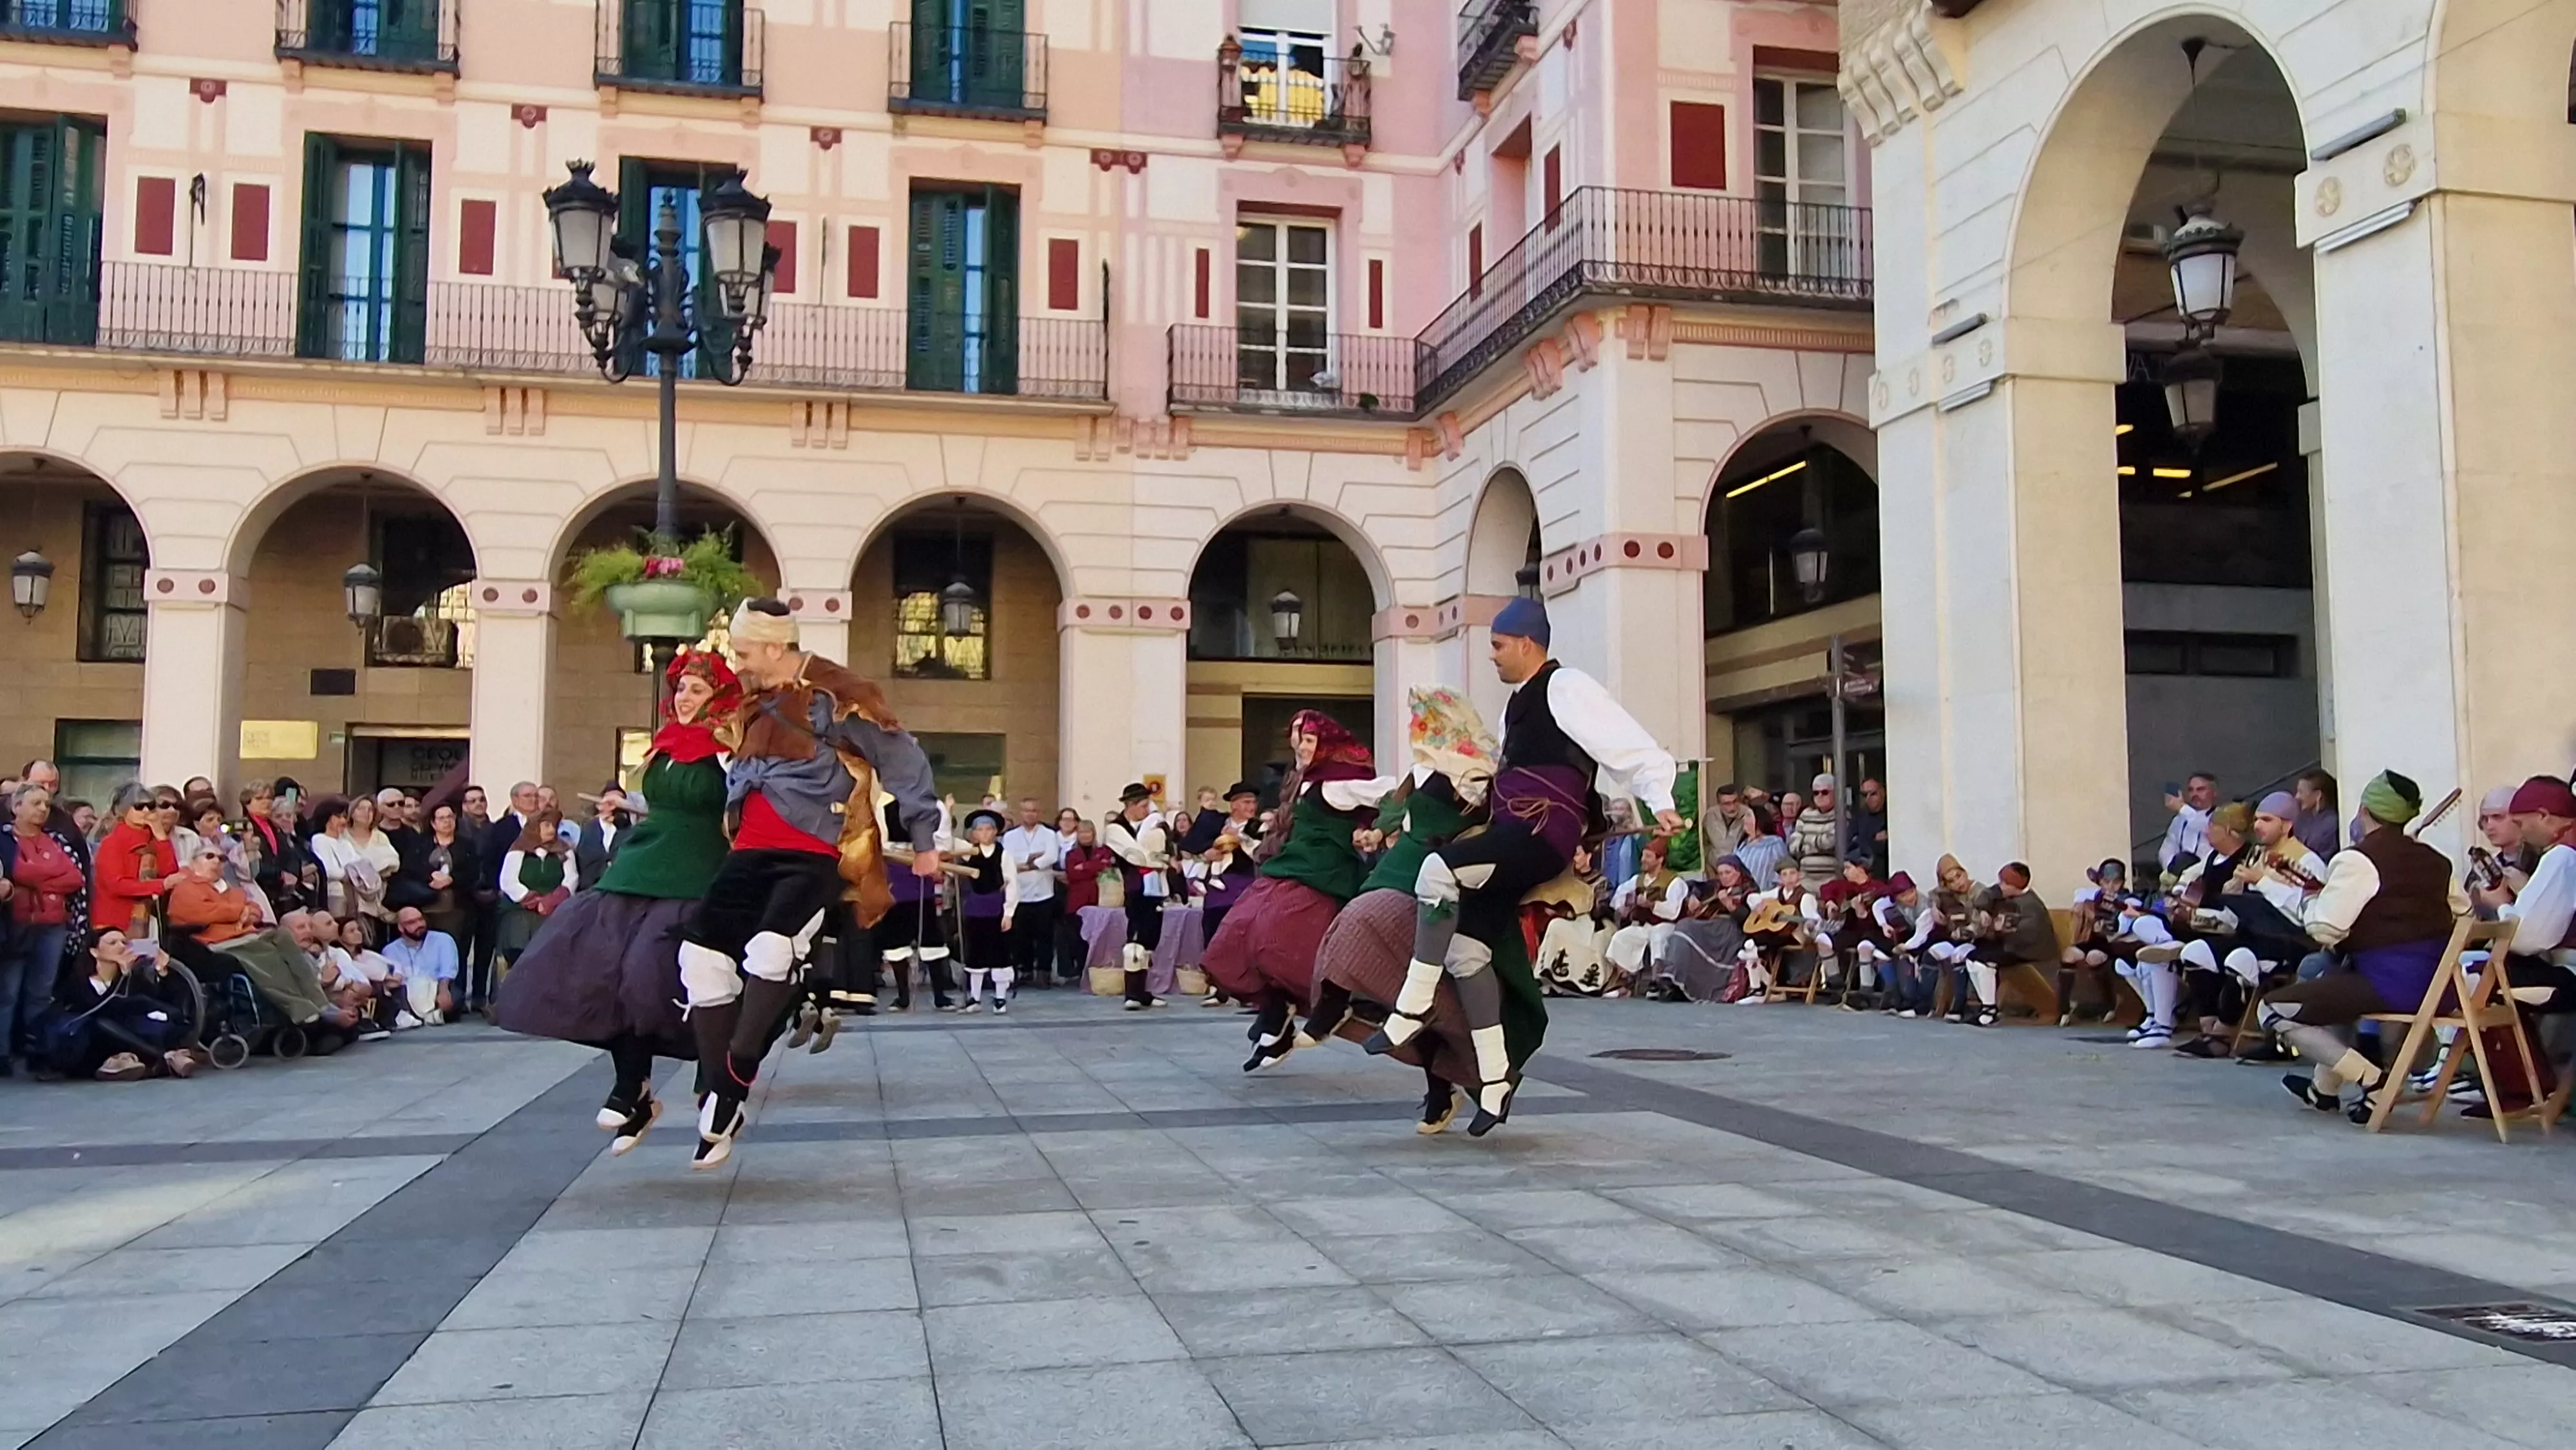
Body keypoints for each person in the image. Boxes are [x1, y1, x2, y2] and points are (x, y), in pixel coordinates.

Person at [1368, 598, 1680, 1134]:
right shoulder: (1515, 705)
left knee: (1436, 872)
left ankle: (1412, 1007)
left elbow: (1627, 743)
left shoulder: (1565, 687)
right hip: (1514, 832)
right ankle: (1494, 1080)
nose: (1492, 656)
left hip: (1538, 834)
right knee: (1467, 952)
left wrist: (1662, 798)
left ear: (1527, 643)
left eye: (1497, 645)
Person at [679, 599, 942, 1169]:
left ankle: (733, 1082)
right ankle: (715, 1084)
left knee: (772, 951)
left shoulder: (838, 693)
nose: (740, 663)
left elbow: (903, 759)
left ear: (775, 647)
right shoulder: (750, 702)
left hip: (810, 853)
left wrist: (924, 842)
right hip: (747, 852)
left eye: (745, 652)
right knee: (698, 959)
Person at [1309, 686, 1539, 1134]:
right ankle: (1447, 1079)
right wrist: (1378, 832)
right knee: (1397, 970)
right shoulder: (1424, 770)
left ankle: (1481, 1079)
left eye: (1427, 720)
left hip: (1451, 882)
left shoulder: (1477, 772)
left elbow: (1497, 820)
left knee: (1446, 984)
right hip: (1406, 874)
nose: (1419, 727)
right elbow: (1396, 810)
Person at [2263, 771, 2469, 1115]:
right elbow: (2464, 914)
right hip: (2441, 986)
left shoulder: (2357, 859)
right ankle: (2323, 1090)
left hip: (2389, 985)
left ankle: (2374, 1081)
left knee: (2273, 1009)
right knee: (2331, 985)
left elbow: (2325, 929)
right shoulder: (2438, 861)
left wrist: (2309, 902)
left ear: (2364, 811)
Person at [1203, 711, 1389, 1070]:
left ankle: (1314, 1006)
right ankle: (1277, 1012)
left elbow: (1391, 792)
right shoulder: (1305, 780)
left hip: (1323, 876)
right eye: (1297, 738)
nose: (1300, 746)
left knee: (1279, 945)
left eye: (1308, 739)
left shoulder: (1337, 784)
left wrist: (1375, 828)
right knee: (1240, 929)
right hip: (1290, 868)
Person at [28, 933, 200, 1082]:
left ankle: (136, 1061)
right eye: (112, 943)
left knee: (150, 1016)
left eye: (124, 943)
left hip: (129, 1035)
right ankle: (165, 1057)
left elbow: (160, 1004)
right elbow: (98, 1007)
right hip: (92, 1043)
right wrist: (123, 977)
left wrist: (163, 972)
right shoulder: (78, 983)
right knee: (104, 1023)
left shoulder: (135, 980)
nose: (121, 947)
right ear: (94, 952)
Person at [0, 783, 85, 1076]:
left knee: (41, 991)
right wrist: (47, 875)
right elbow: (17, 872)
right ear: (16, 807)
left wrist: (36, 880)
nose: (42, 810)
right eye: (36, 803)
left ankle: (36, 1048)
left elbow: (74, 878)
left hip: (52, 925)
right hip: (17, 924)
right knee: (8, 991)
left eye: (46, 805)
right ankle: (3, 1052)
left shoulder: (54, 840)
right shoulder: (5, 840)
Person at [1101, 784, 1174, 1010]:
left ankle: (1143, 991)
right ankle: (1131, 993)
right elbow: (1137, 857)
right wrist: (1159, 860)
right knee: (1134, 942)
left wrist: (1162, 858)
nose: (1146, 810)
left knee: (1150, 940)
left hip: (1157, 889)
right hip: (1136, 889)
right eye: (1143, 806)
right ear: (1130, 805)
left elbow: (1169, 849)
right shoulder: (1116, 829)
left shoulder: (1153, 824)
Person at [470, 782, 538, 1015]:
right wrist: (499, 888)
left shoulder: (544, 825)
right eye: (528, 796)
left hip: (539, 901)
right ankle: (493, 999)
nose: (533, 800)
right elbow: (489, 861)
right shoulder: (501, 828)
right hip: (506, 898)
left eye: (536, 796)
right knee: (501, 949)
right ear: (515, 800)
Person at [494, 807, 576, 990]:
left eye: (554, 826)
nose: (551, 830)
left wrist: (552, 900)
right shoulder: (518, 851)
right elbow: (508, 881)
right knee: (518, 956)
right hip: (520, 914)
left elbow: (571, 879)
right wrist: (532, 900)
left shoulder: (564, 851)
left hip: (553, 914)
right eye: (546, 825)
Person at [92, 783, 178, 943]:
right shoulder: (112, 843)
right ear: (123, 810)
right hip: (115, 921)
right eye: (139, 806)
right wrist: (160, 885)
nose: (146, 811)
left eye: (150, 806)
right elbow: (116, 884)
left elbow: (170, 872)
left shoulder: (154, 841)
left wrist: (161, 837)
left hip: (147, 918)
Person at [955, 807, 1018, 1013]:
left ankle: (1000, 997)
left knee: (999, 953)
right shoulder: (968, 852)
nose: (984, 833)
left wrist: (1009, 913)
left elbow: (1012, 884)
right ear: (974, 834)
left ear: (995, 832)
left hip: (996, 909)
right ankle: (975, 998)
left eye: (988, 829)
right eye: (980, 830)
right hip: (975, 909)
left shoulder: (1004, 854)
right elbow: (945, 841)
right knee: (976, 953)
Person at [1602, 838, 1687, 988]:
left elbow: (1673, 911)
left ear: (1660, 860)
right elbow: (1619, 895)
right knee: (1621, 937)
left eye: (1648, 857)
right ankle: (1625, 979)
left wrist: (1652, 905)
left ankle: (1657, 980)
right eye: (1643, 856)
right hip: (1645, 926)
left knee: (1658, 936)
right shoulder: (1638, 879)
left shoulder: (1675, 882)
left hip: (1667, 926)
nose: (1643, 860)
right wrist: (1624, 905)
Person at [999, 798, 1064, 990]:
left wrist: (1029, 864)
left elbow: (1051, 856)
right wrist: (1030, 861)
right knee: (1020, 936)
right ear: (1021, 813)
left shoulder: (1049, 834)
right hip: (1020, 892)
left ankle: (1044, 972)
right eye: (1027, 811)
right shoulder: (1010, 836)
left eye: (1034, 811)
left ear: (1039, 813)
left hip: (1044, 892)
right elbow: (1009, 860)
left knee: (1045, 935)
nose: (1031, 814)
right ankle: (1023, 970)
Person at [399, 802, 480, 950]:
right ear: (433, 823)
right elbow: (409, 869)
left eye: (450, 817)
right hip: (425, 905)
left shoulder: (467, 845)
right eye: (442, 818)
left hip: (457, 907)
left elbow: (474, 873)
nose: (447, 821)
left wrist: (452, 879)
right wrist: (430, 877)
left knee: (456, 950)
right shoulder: (419, 843)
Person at [383, 905, 461, 1026]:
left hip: (436, 987)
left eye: (420, 919)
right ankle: (412, 1015)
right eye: (412, 923)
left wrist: (444, 991)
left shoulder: (443, 939)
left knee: (455, 996)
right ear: (401, 928)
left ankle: (429, 1015)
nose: (419, 925)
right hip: (407, 992)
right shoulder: (391, 950)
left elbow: (448, 971)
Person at [343, 795, 403, 941]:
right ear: (352, 812)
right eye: (361, 809)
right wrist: (371, 865)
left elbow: (393, 861)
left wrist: (366, 868)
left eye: (370, 810)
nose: (366, 813)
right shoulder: (343, 836)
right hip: (351, 893)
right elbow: (346, 865)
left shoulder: (380, 836)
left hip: (378, 892)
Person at [1788, 775, 1841, 889]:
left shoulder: (1841, 815)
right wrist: (1817, 841)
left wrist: (1806, 841)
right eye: (1816, 793)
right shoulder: (1805, 815)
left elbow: (1829, 842)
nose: (1820, 796)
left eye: (1825, 792)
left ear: (1835, 793)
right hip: (1805, 878)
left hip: (1832, 878)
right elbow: (1793, 845)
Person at [2161, 772, 2219, 874]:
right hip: (2178, 876)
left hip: (2206, 874)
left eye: (2201, 789)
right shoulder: (2179, 820)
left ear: (2214, 792)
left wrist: (2182, 808)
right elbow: (2167, 849)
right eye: (2191, 790)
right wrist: (2173, 868)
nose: (2195, 794)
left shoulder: (2221, 815)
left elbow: (2205, 826)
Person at [574, 786, 629, 884]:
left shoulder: (629, 831)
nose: (614, 806)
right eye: (610, 801)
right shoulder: (587, 830)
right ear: (599, 805)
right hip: (591, 889)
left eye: (619, 802)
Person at [2293, 769, 2342, 862]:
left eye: (2301, 792)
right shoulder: (2304, 820)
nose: (2297, 797)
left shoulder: (2331, 825)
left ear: (2318, 795)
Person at [1847, 778, 1890, 878]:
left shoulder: (1891, 815)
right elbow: (1850, 844)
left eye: (1873, 794)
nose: (1868, 799)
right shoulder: (1858, 817)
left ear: (1882, 792)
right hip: (1863, 874)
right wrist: (1873, 840)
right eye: (1864, 795)